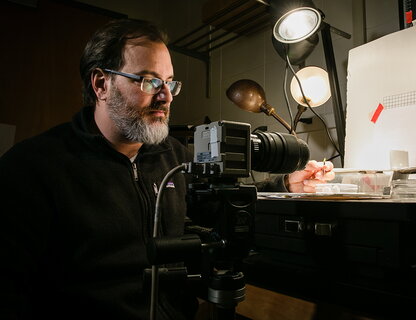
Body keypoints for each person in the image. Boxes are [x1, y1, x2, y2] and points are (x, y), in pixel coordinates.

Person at [0, 19, 334, 320]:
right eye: (148, 81)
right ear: (101, 84)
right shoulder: (32, 167)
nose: (166, 97)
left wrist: (285, 183)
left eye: (170, 83)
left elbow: (214, 207)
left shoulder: (172, 155)